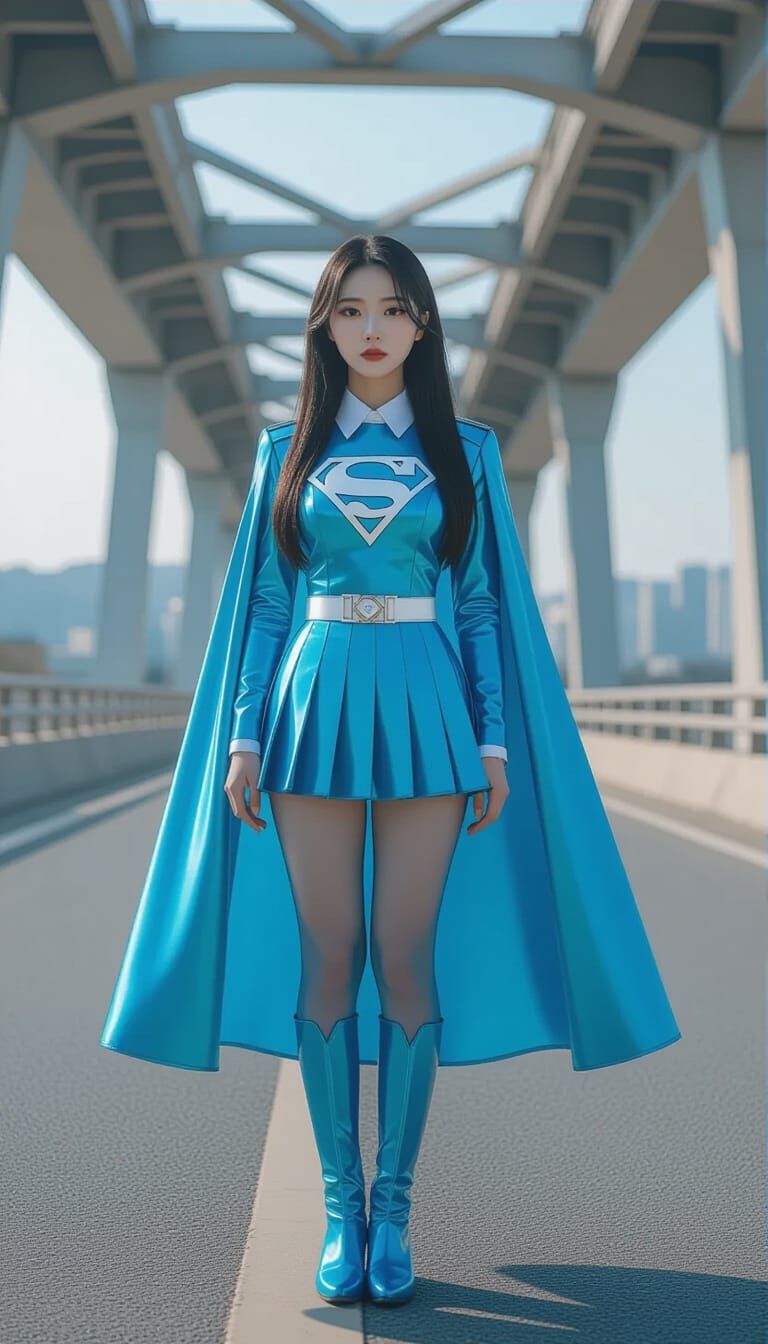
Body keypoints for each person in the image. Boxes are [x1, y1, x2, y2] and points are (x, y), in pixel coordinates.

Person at [100, 235, 681, 1308]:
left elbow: (481, 606)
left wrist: (496, 740)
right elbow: (268, 606)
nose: (373, 328)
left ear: (422, 326)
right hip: (310, 707)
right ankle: (341, 1208)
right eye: (351, 309)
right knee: (333, 953)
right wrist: (241, 735)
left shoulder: (466, 449)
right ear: (324, 325)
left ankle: (397, 1209)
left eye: (394, 309)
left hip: (428, 706)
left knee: (404, 954)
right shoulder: (286, 451)